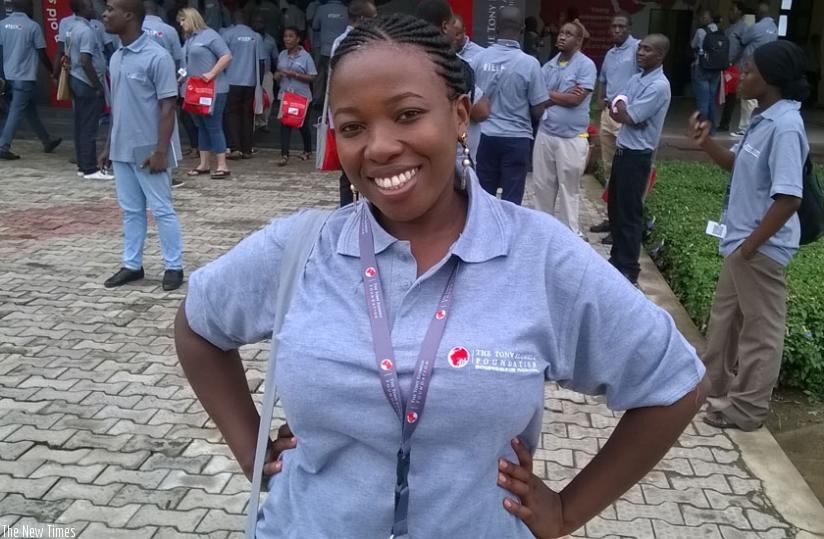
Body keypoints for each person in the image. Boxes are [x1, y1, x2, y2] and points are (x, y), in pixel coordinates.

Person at [175, 14, 707, 538]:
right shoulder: (300, 249)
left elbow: (672, 381)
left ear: (458, 116)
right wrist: (251, 449)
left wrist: (567, 511)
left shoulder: (538, 256)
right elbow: (198, 326)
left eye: (407, 115)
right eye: (353, 127)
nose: (379, 147)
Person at [687, 41, 808, 432]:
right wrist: (706, 142)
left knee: (760, 332)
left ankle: (748, 409)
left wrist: (752, 245)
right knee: (725, 321)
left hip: (760, 248)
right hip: (740, 244)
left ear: (770, 79)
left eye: (751, 70)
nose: (742, 75)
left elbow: (789, 197)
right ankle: (712, 387)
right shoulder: (762, 117)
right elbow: (736, 163)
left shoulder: (787, 126)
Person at [100, 0, 185, 291]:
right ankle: (132, 265)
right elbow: (118, 106)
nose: (105, 14)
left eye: (110, 9)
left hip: (149, 149)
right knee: (131, 210)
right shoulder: (116, 57)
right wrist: (108, 145)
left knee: (161, 209)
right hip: (122, 148)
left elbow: (167, 106)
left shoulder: (157, 57)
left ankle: (174, 266)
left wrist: (161, 150)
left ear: (129, 16)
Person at [607, 34, 671, 286]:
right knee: (615, 209)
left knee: (630, 214)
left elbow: (629, 116)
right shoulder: (636, 78)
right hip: (623, 153)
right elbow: (617, 105)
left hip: (637, 157)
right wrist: (623, 109)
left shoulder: (659, 86)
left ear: (660, 55)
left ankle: (629, 268)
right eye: (640, 48)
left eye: (647, 49)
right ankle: (617, 259)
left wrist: (625, 111)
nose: (640, 52)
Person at [471, 6, 548, 205]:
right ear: (522, 30)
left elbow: (468, 95)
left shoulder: (479, 59)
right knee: (512, 201)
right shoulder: (530, 64)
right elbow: (538, 109)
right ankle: (509, 235)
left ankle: (486, 234)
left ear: (495, 29)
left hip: (485, 137)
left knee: (485, 198)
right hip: (517, 139)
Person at [531, 22, 596, 238]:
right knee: (542, 188)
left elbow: (576, 100)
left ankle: (569, 235)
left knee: (569, 190)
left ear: (578, 41)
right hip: (546, 133)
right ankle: (543, 232)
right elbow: (537, 98)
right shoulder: (548, 66)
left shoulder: (586, 65)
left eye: (568, 34)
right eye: (560, 32)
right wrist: (562, 94)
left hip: (571, 138)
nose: (562, 37)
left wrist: (550, 94)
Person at [591, 11, 639, 239]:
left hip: (625, 117)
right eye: (614, 27)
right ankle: (611, 219)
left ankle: (621, 225)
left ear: (629, 27)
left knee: (623, 172)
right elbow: (602, 79)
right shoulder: (610, 53)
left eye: (622, 26)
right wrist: (600, 99)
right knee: (609, 168)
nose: (617, 30)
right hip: (608, 115)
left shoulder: (639, 49)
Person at [327, 0, 377, 206]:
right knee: (353, 167)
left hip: (349, 112)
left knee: (352, 167)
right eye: (374, 19)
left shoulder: (339, 41)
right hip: (358, 110)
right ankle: (351, 209)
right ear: (363, 19)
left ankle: (350, 208)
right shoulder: (353, 42)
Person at [0, 0, 62, 161]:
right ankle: (3, 146)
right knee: (16, 111)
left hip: (8, 75)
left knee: (29, 110)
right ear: (27, 7)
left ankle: (46, 140)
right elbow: (41, 53)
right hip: (24, 77)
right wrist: (52, 73)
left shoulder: (3, 24)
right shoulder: (32, 26)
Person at [178, 7, 233, 179]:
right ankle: (204, 164)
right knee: (201, 126)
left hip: (214, 89)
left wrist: (212, 73)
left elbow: (226, 55)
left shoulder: (210, 35)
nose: (181, 24)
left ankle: (222, 165)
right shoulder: (189, 40)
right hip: (195, 90)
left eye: (183, 20)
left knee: (213, 125)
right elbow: (187, 64)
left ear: (192, 19)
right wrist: (180, 77)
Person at [67, 0, 114, 180]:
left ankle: (82, 164)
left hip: (76, 80)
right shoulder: (86, 31)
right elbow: (86, 60)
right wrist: (98, 86)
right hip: (87, 82)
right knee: (89, 127)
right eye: (89, 6)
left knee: (80, 125)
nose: (93, 10)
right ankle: (89, 168)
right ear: (81, 9)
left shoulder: (71, 28)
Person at [222, 10, 262, 160]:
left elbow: (222, 58)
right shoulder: (256, 37)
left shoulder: (228, 34)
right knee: (247, 115)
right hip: (250, 82)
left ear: (233, 20)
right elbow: (261, 61)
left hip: (231, 80)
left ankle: (235, 147)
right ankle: (247, 148)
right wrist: (259, 83)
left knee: (231, 114)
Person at [734, 1, 777, 137]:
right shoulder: (774, 27)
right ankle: (755, 127)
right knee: (760, 98)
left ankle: (745, 128)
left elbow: (743, 40)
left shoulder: (757, 27)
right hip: (767, 66)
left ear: (758, 14)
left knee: (747, 98)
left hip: (752, 66)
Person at [275, 26, 316, 166]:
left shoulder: (306, 56)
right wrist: (278, 75)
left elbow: (312, 77)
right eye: (285, 36)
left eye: (291, 36)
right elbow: (276, 74)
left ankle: (307, 150)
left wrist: (295, 74)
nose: (287, 39)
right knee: (284, 124)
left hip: (301, 97)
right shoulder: (281, 55)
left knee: (302, 125)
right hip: (285, 95)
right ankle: (284, 155)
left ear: (298, 39)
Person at [718, 2, 746, 133]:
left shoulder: (743, 28)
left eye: (732, 10)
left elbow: (744, 47)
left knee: (731, 97)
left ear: (739, 12)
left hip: (735, 68)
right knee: (721, 94)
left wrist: (733, 61)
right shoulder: (730, 28)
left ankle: (724, 124)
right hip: (724, 66)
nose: (730, 12)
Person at [311, 0, 347, 106]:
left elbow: (315, 26)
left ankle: (318, 99)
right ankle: (335, 101)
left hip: (325, 49)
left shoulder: (321, 9)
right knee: (336, 76)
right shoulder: (346, 10)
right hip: (341, 49)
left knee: (321, 74)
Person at [691, 10, 720, 132]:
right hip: (716, 68)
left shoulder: (700, 31)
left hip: (702, 67)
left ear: (710, 18)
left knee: (703, 100)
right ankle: (712, 128)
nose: (701, 19)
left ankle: (703, 129)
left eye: (704, 17)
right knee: (711, 100)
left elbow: (693, 45)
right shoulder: (719, 30)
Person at [252, 13, 278, 132]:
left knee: (269, 99)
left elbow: (275, 58)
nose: (258, 24)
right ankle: (253, 122)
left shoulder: (270, 40)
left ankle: (263, 122)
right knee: (253, 99)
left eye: (260, 22)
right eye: (256, 22)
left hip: (266, 73)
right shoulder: (250, 37)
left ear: (265, 24)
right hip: (251, 73)